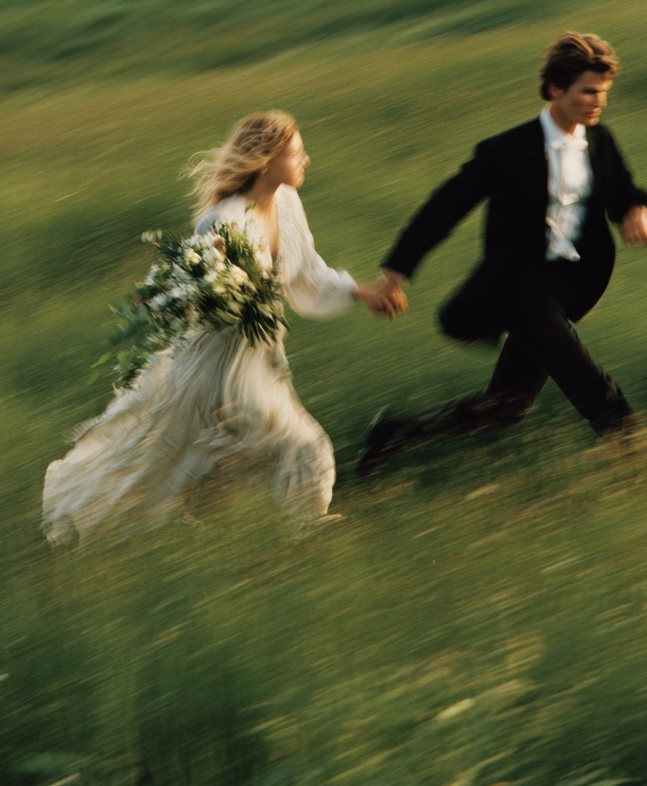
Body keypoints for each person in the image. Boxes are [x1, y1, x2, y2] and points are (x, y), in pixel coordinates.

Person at [43, 111, 391, 545]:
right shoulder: (223, 220)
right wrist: (209, 296)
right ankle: (309, 539)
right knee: (303, 446)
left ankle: (208, 529)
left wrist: (363, 292)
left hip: (261, 358)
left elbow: (308, 275)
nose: (307, 160)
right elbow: (205, 296)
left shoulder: (286, 202)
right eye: (297, 153)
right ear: (266, 161)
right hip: (223, 363)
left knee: (222, 456)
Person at [357, 32, 647, 475]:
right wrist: (395, 274)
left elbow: (623, 189)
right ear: (556, 90)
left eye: (603, 93)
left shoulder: (600, 140)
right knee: (578, 369)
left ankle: (395, 432)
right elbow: (444, 208)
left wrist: (637, 212)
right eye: (588, 92)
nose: (597, 102)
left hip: (572, 284)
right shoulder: (506, 151)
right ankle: (640, 454)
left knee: (509, 404)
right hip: (518, 283)